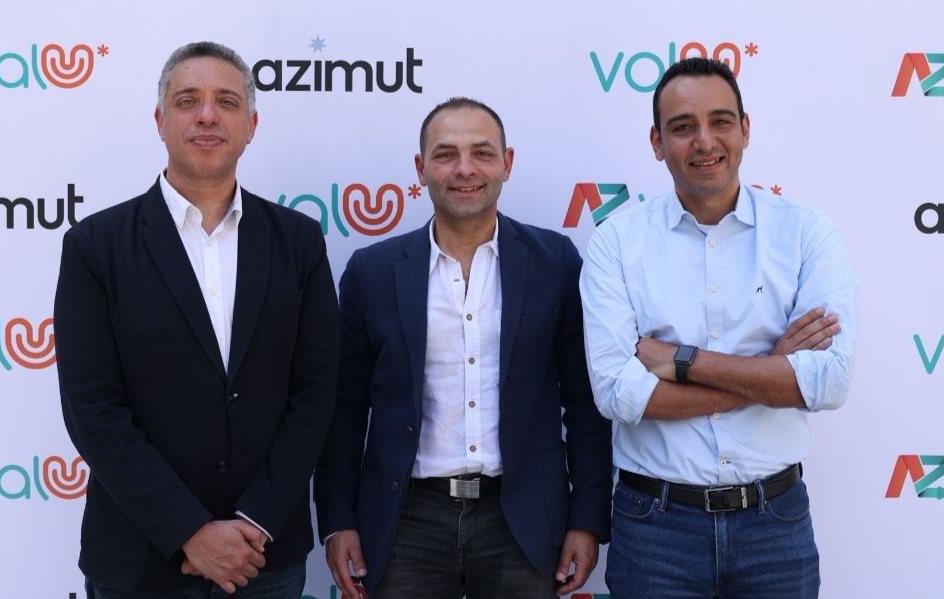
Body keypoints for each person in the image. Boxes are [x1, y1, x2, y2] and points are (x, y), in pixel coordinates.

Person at [54, 41, 339, 597]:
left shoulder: (298, 241)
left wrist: (256, 520)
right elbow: (91, 408)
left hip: (265, 560)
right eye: (188, 100)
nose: (207, 115)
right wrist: (189, 531)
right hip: (139, 561)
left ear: (251, 125)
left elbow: (316, 392)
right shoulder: (95, 246)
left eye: (226, 101)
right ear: (161, 121)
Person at [580, 57, 857, 598]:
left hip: (775, 525)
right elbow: (618, 393)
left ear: (745, 130)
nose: (704, 141)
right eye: (683, 127)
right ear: (657, 142)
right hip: (655, 526)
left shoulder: (806, 234)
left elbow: (828, 382)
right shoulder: (617, 242)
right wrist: (771, 371)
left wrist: (682, 361)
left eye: (721, 121)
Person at [314, 97, 612, 599]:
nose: (465, 169)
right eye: (446, 154)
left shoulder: (555, 262)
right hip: (406, 521)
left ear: (507, 163)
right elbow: (344, 409)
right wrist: (338, 520)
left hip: (522, 519)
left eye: (482, 152)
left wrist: (586, 518)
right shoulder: (372, 272)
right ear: (421, 168)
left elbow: (585, 404)